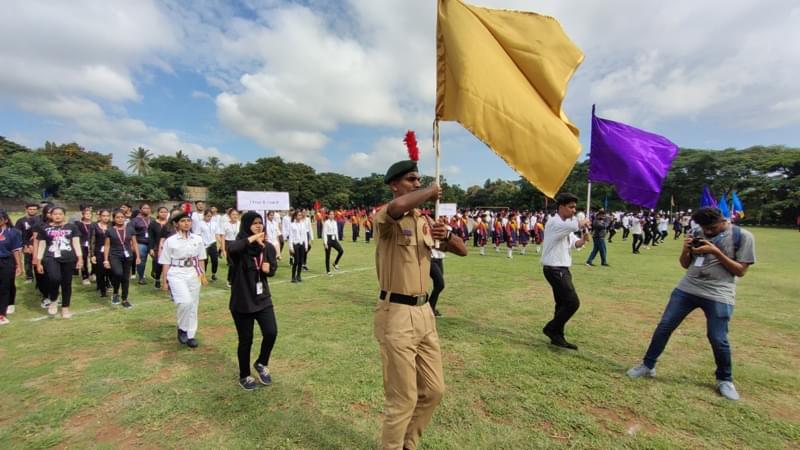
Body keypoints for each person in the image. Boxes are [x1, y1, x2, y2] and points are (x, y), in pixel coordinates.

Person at [373, 159, 467, 450]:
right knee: (403, 399)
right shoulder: (386, 218)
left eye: (419, 179)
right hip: (397, 313)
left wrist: (447, 235)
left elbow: (462, 250)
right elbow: (397, 208)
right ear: (394, 185)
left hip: (425, 312)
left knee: (434, 391)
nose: (417, 183)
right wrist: (429, 190)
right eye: (411, 179)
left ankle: (408, 443)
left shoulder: (425, 221)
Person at [627, 207, 756, 400]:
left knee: (717, 337)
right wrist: (686, 249)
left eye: (712, 228)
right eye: (705, 228)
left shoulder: (742, 236)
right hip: (687, 288)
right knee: (664, 326)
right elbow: (685, 264)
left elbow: (740, 271)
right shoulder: (697, 231)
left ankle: (725, 379)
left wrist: (715, 251)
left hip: (719, 293)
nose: (708, 232)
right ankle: (647, 365)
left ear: (723, 221)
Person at [227, 211, 279, 390]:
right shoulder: (239, 247)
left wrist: (268, 269)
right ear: (246, 226)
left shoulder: (267, 247)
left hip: (262, 298)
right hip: (242, 300)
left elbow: (272, 270)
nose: (258, 226)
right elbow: (232, 249)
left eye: (260, 223)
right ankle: (244, 376)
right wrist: (253, 238)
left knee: (271, 332)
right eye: (254, 223)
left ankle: (261, 362)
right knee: (246, 340)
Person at [540, 193, 591, 350]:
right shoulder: (555, 223)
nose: (574, 210)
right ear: (561, 207)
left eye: (575, 207)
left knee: (562, 304)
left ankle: (557, 336)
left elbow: (574, 243)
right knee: (572, 302)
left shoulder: (565, 225)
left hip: (562, 267)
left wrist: (583, 240)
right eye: (571, 207)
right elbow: (576, 225)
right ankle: (551, 328)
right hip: (555, 268)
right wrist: (583, 222)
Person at [160, 212, 207, 348]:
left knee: (193, 305)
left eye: (188, 220)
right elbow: (165, 261)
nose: (186, 223)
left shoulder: (197, 239)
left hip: (193, 272)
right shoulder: (171, 241)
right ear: (176, 224)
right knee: (185, 302)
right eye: (183, 221)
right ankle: (182, 328)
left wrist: (202, 276)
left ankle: (190, 335)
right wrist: (164, 281)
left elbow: (201, 259)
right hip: (176, 272)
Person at [35, 207, 83, 318]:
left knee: (66, 283)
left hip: (68, 258)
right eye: (55, 214)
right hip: (50, 257)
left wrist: (80, 258)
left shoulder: (72, 227)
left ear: (64, 215)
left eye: (60, 214)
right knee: (54, 278)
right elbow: (41, 245)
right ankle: (54, 299)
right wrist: (38, 262)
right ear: (51, 215)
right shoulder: (44, 228)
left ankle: (65, 308)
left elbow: (76, 243)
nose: (58, 216)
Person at [103, 209, 140, 308]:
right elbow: (107, 245)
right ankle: (115, 292)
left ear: (125, 218)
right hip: (114, 255)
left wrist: (138, 256)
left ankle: (125, 299)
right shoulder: (110, 230)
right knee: (118, 273)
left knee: (125, 278)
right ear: (114, 219)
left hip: (127, 256)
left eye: (122, 217)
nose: (120, 219)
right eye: (117, 217)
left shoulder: (130, 229)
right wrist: (106, 260)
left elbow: (134, 243)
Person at [0, 210, 24, 325]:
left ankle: (2, 314)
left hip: (7, 261)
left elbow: (16, 250)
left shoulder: (13, 232)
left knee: (4, 287)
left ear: (5, 220)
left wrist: (19, 265)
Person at [14, 203, 41, 284]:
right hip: (26, 244)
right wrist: (24, 245)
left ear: (37, 210)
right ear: (26, 210)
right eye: (30, 209)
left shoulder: (41, 220)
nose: (32, 211)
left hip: (39, 244)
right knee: (28, 261)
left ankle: (40, 278)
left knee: (39, 261)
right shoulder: (21, 221)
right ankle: (29, 277)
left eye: (34, 209)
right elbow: (18, 234)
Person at [89, 209, 112, 297]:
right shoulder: (94, 226)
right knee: (100, 271)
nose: (106, 218)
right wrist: (92, 255)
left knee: (109, 270)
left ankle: (108, 283)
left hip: (110, 251)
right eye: (104, 216)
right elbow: (92, 241)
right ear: (100, 216)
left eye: (107, 216)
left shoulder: (111, 226)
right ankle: (102, 289)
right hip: (98, 251)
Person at [148, 206, 170, 289]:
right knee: (158, 264)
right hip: (157, 247)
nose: (163, 214)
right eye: (161, 212)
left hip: (169, 247)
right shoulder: (153, 224)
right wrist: (151, 248)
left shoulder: (170, 224)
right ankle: (157, 279)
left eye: (165, 212)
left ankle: (168, 281)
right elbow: (151, 237)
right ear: (158, 213)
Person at [220, 208, 241, 288]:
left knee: (239, 264)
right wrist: (223, 250)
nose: (235, 216)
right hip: (229, 245)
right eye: (233, 214)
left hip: (239, 244)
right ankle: (230, 280)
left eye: (236, 214)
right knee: (232, 264)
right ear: (229, 216)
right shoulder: (225, 224)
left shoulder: (240, 224)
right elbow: (222, 238)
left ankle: (237, 280)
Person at [132, 203, 153, 285]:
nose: (147, 210)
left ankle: (155, 273)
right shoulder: (135, 220)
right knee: (141, 260)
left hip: (152, 243)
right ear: (140, 210)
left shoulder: (152, 220)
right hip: (140, 242)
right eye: (144, 208)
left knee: (157, 260)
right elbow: (131, 233)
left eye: (148, 208)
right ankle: (141, 277)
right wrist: (132, 244)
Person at [198, 210, 221, 282]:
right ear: (204, 216)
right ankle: (203, 276)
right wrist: (201, 243)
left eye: (211, 216)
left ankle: (213, 274)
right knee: (205, 261)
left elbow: (217, 234)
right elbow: (197, 235)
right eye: (208, 216)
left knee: (215, 260)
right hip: (204, 245)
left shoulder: (214, 223)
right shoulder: (200, 223)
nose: (209, 218)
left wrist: (221, 243)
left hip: (213, 244)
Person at [74, 205, 93, 285]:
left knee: (93, 259)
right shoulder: (79, 224)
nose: (88, 215)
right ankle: (85, 276)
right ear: (83, 215)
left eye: (89, 214)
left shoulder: (94, 224)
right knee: (84, 260)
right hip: (82, 244)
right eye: (86, 214)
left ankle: (93, 273)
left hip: (92, 244)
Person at [287, 210, 308, 283]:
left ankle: (298, 276)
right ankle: (293, 277)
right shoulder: (292, 225)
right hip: (295, 244)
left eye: (300, 215)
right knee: (296, 261)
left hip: (302, 244)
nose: (300, 216)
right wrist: (291, 247)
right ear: (295, 216)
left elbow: (305, 235)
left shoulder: (303, 224)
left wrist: (306, 245)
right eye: (298, 215)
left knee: (301, 261)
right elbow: (291, 237)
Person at [322, 210, 344, 276]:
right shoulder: (326, 222)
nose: (332, 215)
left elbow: (336, 232)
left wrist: (337, 240)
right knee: (327, 256)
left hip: (334, 239)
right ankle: (328, 271)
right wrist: (325, 243)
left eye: (333, 214)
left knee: (341, 251)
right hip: (328, 239)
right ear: (328, 215)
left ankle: (335, 263)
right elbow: (324, 233)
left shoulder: (335, 222)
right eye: (330, 214)